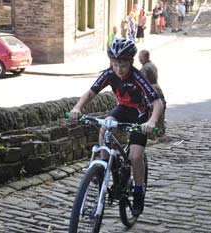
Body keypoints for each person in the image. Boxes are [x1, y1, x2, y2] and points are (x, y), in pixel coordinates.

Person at [69, 39, 164, 217]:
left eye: (123, 65)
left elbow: (157, 103)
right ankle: (103, 166)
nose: (119, 69)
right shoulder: (109, 74)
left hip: (139, 115)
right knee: (105, 127)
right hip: (121, 109)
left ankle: (138, 191)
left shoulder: (138, 77)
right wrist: (77, 108)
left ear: (131, 62)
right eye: (115, 65)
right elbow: (91, 92)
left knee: (135, 157)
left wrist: (151, 121)